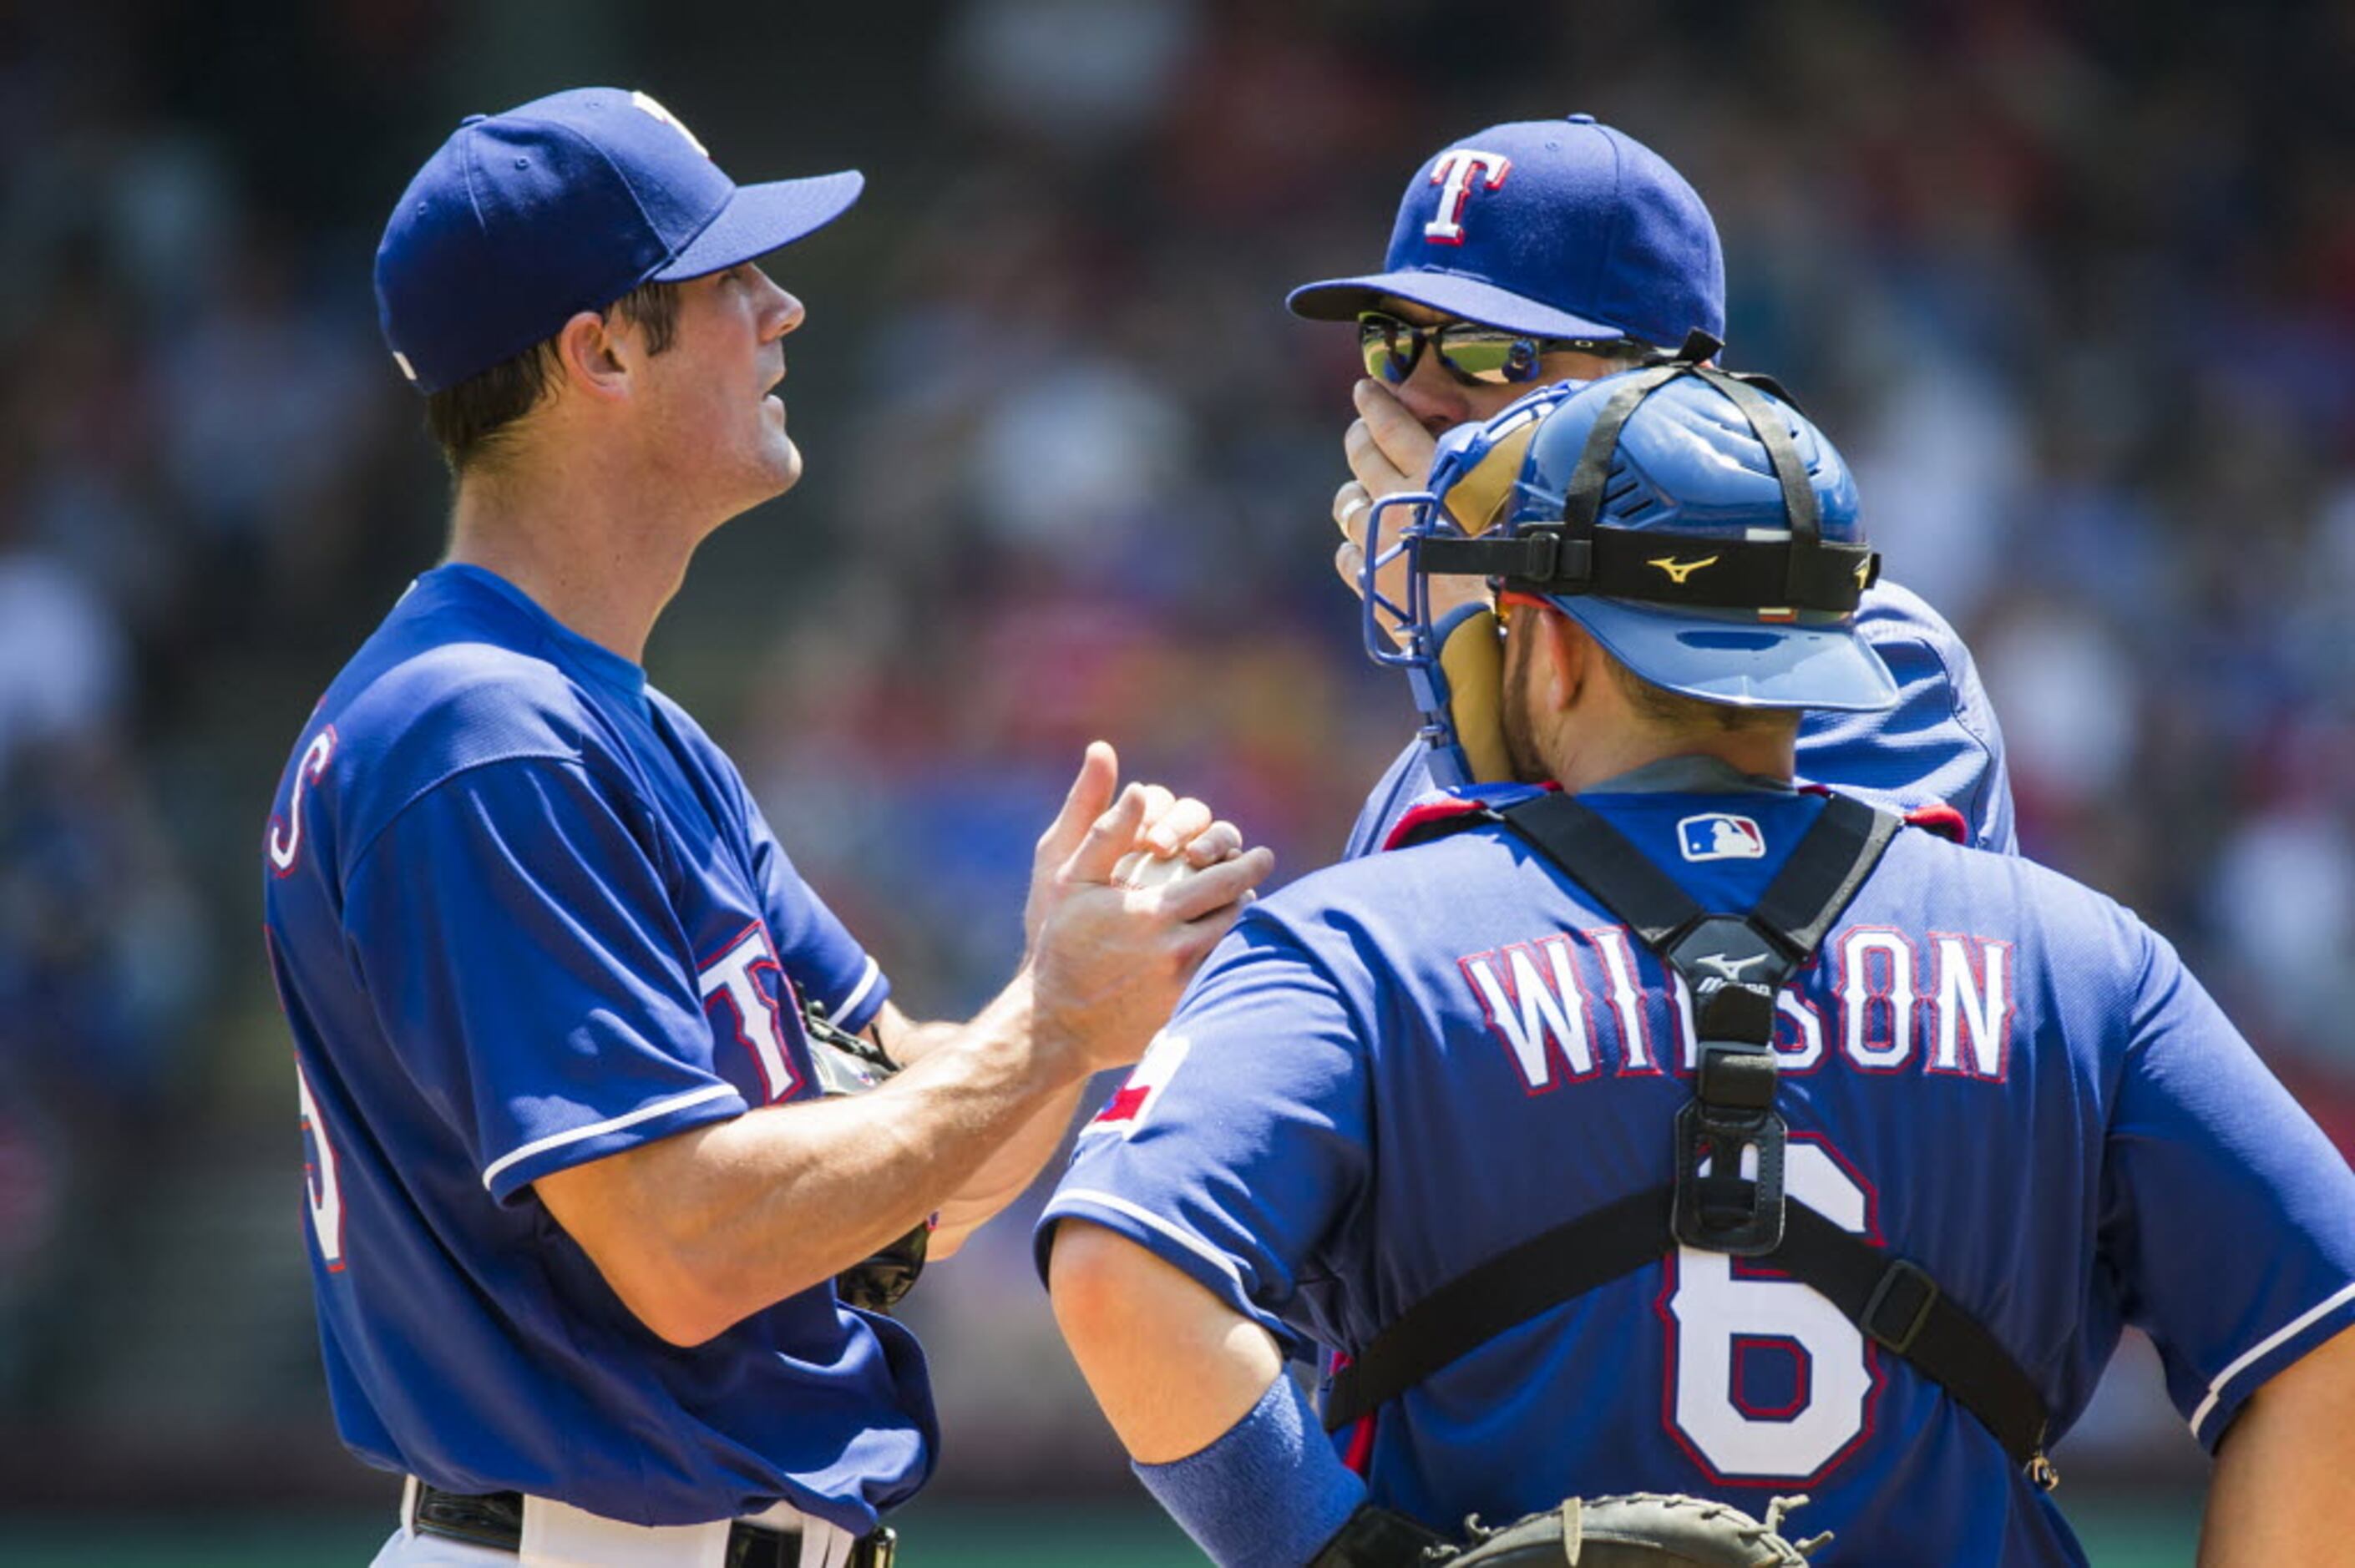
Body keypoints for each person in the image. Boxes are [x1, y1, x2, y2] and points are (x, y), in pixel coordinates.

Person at [1038, 367, 2355, 1566]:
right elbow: (2328, 1338)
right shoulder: (2084, 961)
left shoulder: (1362, 941)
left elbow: (1119, 1261)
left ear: (1545, 640)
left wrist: (1336, 1556)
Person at [261, 88, 1272, 1567]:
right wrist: (1054, 1024)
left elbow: (899, 1184)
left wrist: (1073, 984)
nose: (784, 307)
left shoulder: (620, 724)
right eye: (731, 278)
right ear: (596, 349)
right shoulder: (473, 732)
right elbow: (684, 1248)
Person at [1286, 115, 2014, 857]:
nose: (1423, 398)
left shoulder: (1853, 655)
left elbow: (1726, 957)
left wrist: (1470, 647)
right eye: (1392, 343)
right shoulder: (1430, 734)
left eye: (1496, 351)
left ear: (1678, 384)